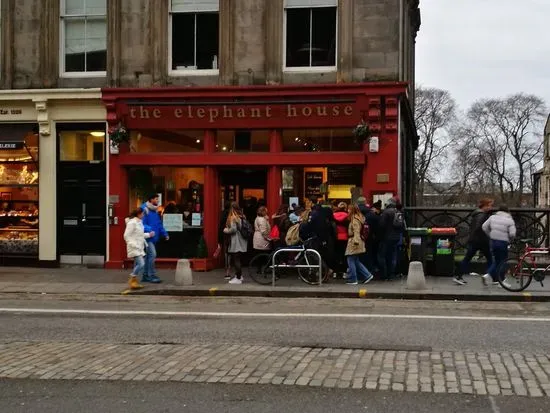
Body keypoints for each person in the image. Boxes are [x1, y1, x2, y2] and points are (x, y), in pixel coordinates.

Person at [453, 198, 494, 285]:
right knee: (490, 260)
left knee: (467, 258)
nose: (491, 207)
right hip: (481, 241)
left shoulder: (477, 214)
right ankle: (496, 278)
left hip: (474, 240)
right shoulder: (482, 215)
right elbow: (480, 228)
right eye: (490, 205)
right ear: (485, 206)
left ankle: (458, 276)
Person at [482, 205, 516, 287]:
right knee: (503, 262)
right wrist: (510, 240)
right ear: (507, 211)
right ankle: (502, 282)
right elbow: (512, 234)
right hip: (503, 242)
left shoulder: (493, 217)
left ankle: (487, 276)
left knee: (497, 261)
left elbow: (484, 227)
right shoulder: (509, 220)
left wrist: (490, 235)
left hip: (493, 242)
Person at [124, 208, 155, 290]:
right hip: (134, 247)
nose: (144, 215)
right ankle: (132, 279)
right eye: (143, 214)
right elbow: (126, 236)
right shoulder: (132, 223)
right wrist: (133, 244)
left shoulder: (139, 222)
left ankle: (134, 281)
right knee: (141, 264)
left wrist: (149, 234)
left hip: (139, 247)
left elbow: (140, 235)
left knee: (140, 264)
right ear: (139, 214)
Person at [141, 194, 169, 283]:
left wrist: (165, 234)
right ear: (151, 199)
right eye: (156, 199)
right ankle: (151, 275)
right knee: (153, 254)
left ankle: (145, 276)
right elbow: (141, 224)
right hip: (147, 237)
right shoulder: (144, 209)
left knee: (148, 256)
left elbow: (158, 224)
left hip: (154, 237)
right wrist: (150, 230)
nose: (158, 201)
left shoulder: (155, 210)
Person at [345, 204, 374, 285]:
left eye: (349, 209)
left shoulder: (354, 219)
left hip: (354, 241)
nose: (348, 211)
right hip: (359, 241)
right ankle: (367, 275)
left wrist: (356, 241)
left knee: (350, 259)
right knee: (356, 260)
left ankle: (353, 279)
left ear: (352, 210)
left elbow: (356, 231)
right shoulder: (360, 217)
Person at [378, 197, 405, 280]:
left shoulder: (386, 212)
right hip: (396, 238)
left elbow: (381, 225)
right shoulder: (398, 212)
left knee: (381, 256)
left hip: (386, 238)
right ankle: (391, 275)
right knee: (391, 256)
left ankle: (384, 275)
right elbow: (401, 226)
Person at [223, 202, 248, 284]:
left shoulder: (233, 217)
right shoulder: (242, 216)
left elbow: (233, 230)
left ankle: (238, 278)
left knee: (236, 259)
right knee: (239, 258)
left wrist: (226, 230)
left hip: (236, 241)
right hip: (242, 240)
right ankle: (239, 276)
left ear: (232, 208)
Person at [333, 202, 350, 278]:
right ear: (345, 208)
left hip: (335, 238)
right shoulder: (348, 216)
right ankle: (344, 272)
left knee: (336, 255)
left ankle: (335, 272)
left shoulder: (333, 215)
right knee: (344, 256)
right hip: (345, 238)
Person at [217, 201, 232, 280]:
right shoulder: (231, 215)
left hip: (224, 236)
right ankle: (230, 271)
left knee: (227, 253)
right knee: (232, 254)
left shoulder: (222, 214)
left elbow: (220, 228)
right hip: (231, 236)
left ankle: (227, 272)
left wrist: (219, 240)